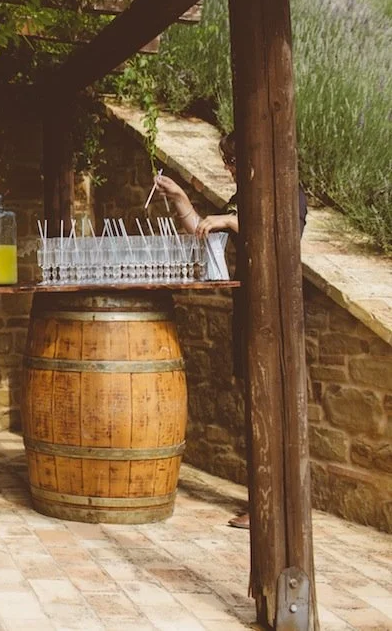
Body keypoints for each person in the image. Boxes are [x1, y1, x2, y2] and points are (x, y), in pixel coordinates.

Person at [151, 131, 306, 530]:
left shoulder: (288, 192)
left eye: (233, 161)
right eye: (227, 161)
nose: (229, 168)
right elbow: (204, 232)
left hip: (275, 317)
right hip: (248, 314)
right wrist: (182, 199)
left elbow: (274, 231)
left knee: (271, 405)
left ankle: (272, 509)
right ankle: (262, 502)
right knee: (253, 405)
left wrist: (231, 219)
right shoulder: (245, 201)